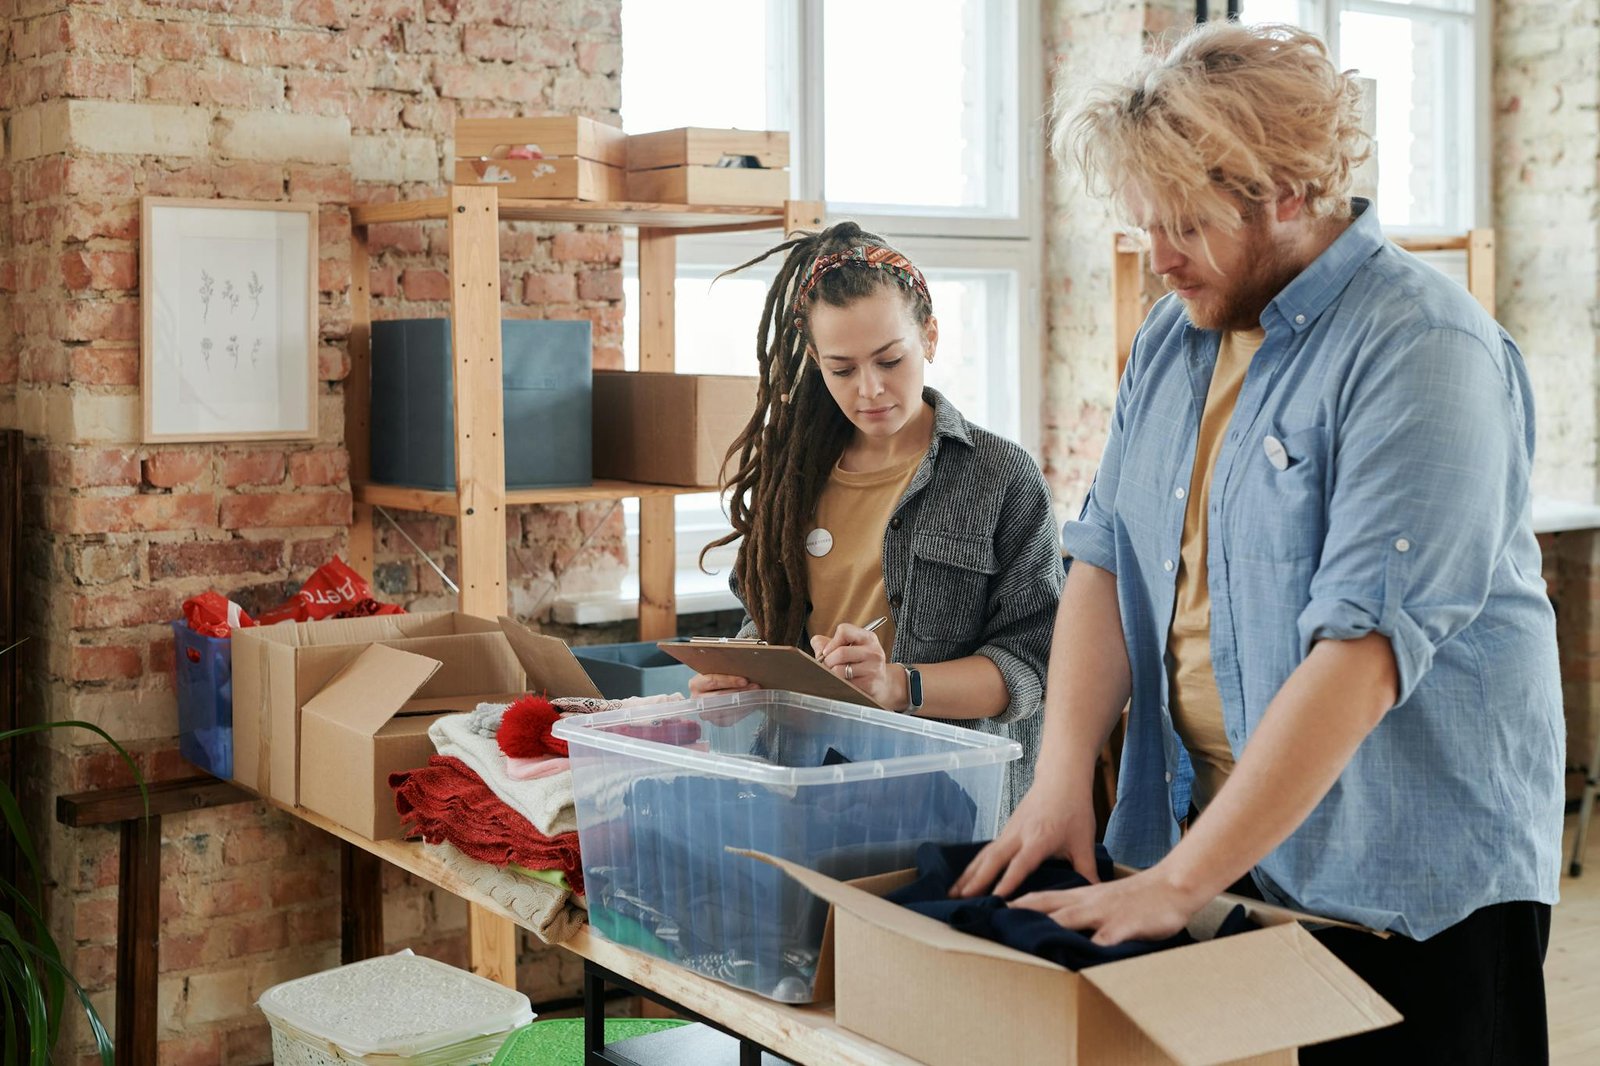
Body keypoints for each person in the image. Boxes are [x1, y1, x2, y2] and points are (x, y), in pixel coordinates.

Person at [953, 22, 1565, 1063]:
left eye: (1184, 226)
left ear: (1287, 192)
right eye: (1145, 226)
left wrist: (1178, 882)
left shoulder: (1423, 348)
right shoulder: (1173, 335)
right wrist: (1059, 784)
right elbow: (1106, 556)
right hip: (1218, 851)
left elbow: (1362, 656)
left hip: (1406, 884)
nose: (1159, 260)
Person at [689, 221, 1064, 816]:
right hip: (799, 789)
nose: (870, 389)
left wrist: (898, 684)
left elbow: (1033, 668)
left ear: (930, 337)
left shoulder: (1000, 476)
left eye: (890, 360)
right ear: (816, 360)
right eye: (842, 369)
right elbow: (765, 622)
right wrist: (737, 682)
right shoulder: (792, 479)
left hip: (950, 803)